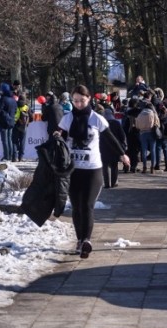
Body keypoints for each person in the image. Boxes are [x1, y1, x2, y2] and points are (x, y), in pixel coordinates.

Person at [55, 85, 130, 258]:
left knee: (87, 205)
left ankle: (87, 240)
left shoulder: (97, 119)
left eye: (82, 100)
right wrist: (57, 136)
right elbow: (61, 136)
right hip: (73, 170)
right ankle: (80, 239)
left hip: (93, 169)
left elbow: (110, 139)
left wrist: (122, 154)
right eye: (75, 101)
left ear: (89, 99)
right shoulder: (67, 119)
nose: (79, 104)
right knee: (76, 207)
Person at [101, 109, 127, 188]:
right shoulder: (116, 123)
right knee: (114, 165)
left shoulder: (102, 124)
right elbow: (122, 135)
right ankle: (113, 182)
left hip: (103, 147)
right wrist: (123, 145)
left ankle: (106, 183)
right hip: (115, 146)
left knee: (105, 166)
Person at [0, 83, 17, 161]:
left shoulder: (3, 99)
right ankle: (10, 156)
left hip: (4, 122)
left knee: (5, 140)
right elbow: (15, 111)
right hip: (11, 121)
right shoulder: (13, 99)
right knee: (9, 139)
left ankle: (6, 156)